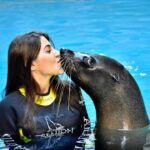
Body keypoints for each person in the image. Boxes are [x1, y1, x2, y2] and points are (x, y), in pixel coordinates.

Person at [0, 31, 91, 150]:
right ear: (30, 64)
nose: (58, 53)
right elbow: (8, 145)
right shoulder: (9, 106)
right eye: (48, 51)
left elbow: (87, 131)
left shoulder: (71, 91)